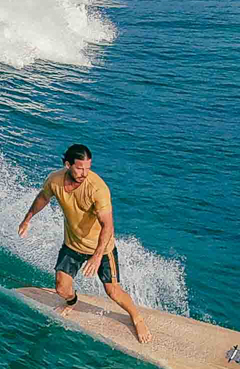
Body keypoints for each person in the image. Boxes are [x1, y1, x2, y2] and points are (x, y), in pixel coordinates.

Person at [18, 144, 150, 343]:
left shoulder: (97, 189)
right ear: (67, 164)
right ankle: (72, 301)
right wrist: (27, 218)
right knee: (61, 288)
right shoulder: (55, 180)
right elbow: (43, 197)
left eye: (88, 168)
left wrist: (97, 256)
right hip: (72, 244)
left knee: (112, 290)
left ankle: (136, 316)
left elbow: (108, 225)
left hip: (101, 248)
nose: (84, 173)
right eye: (80, 168)